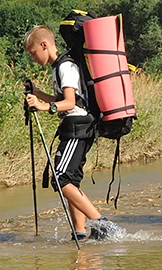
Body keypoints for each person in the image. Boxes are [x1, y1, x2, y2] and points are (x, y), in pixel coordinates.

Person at [23, 25, 124, 240]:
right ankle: (79, 232)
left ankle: (102, 224)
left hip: (78, 127)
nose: (33, 58)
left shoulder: (66, 67)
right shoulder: (58, 67)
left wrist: (43, 107)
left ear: (44, 45)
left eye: (33, 53)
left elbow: (69, 103)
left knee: (61, 179)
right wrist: (38, 93)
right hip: (76, 127)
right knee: (71, 181)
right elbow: (63, 99)